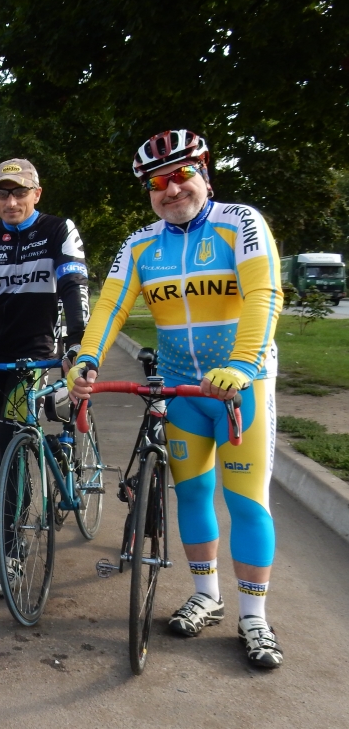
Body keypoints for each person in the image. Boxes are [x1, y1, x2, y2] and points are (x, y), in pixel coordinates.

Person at [68, 130, 284, 668]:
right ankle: (207, 595)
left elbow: (264, 293)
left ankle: (254, 617)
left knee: (246, 501)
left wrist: (242, 364)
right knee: (192, 494)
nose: (170, 190)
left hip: (240, 388)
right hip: (179, 388)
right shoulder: (141, 244)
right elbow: (111, 305)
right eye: (157, 183)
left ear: (204, 174)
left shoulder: (240, 222)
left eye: (181, 175)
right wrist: (88, 358)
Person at [0, 159, 89, 597]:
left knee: (11, 437)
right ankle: (9, 531)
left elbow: (74, 287)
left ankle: (12, 551)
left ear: (36, 194)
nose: (11, 201)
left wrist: (77, 344)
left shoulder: (58, 230)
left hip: (37, 353)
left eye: (20, 192)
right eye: (3, 193)